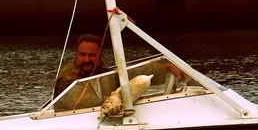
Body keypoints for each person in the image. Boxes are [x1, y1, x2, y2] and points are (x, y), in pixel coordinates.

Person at [53, 33, 187, 112]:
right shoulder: (67, 78)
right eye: (82, 55)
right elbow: (77, 102)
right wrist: (114, 100)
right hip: (73, 123)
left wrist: (165, 68)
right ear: (76, 55)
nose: (86, 59)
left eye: (92, 55)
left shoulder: (101, 70)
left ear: (100, 56)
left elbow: (130, 73)